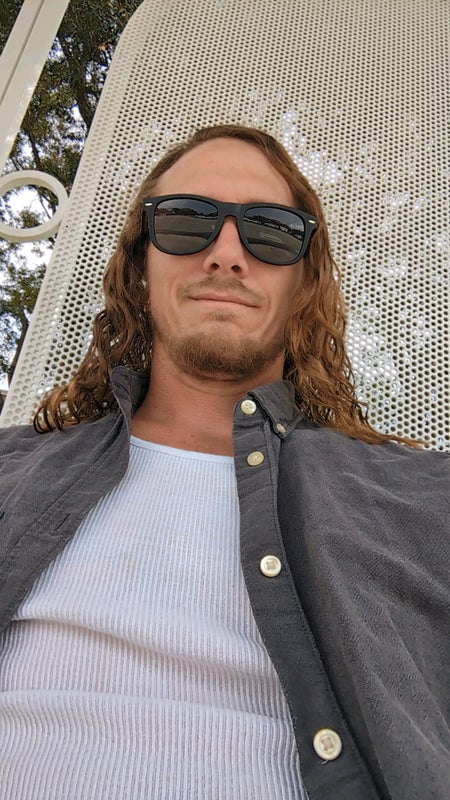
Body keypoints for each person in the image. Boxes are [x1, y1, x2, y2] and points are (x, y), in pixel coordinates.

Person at [0, 124, 448, 800]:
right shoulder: (10, 468)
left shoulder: (426, 498)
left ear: (304, 283)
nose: (227, 255)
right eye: (187, 220)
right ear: (140, 266)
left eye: (271, 231)